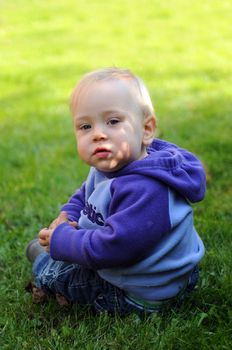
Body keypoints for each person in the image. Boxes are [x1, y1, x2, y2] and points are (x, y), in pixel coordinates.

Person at [26, 67, 206, 314]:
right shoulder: (114, 162)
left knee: (57, 272)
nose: (98, 134)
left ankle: (43, 264)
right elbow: (86, 193)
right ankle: (51, 258)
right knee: (67, 255)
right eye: (85, 126)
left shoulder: (147, 188)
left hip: (145, 289)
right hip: (155, 270)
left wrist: (62, 241)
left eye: (113, 121)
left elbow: (113, 249)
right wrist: (69, 214)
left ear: (146, 129)